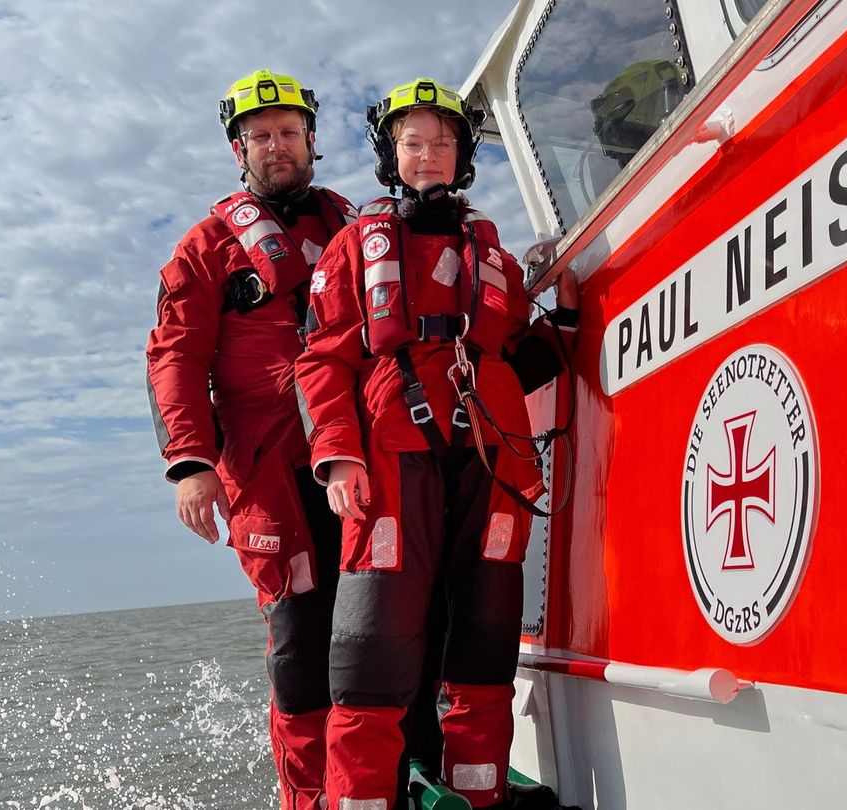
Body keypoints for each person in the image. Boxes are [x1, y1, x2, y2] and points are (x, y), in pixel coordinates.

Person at [294, 77, 578, 810]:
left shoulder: (494, 256)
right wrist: (338, 454)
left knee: (484, 635)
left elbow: (520, 353)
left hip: (490, 457)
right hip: (391, 456)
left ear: (462, 157)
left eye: (443, 143)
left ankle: (476, 795)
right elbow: (321, 358)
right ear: (393, 155)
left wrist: (569, 319)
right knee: (375, 645)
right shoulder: (355, 248)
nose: (429, 155)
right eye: (414, 143)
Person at [146, 69, 357, 810]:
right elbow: (174, 355)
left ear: (311, 142)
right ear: (240, 150)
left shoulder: (357, 228)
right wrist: (190, 464)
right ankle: (307, 800)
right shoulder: (206, 247)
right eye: (261, 136)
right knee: (301, 642)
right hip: (267, 469)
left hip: (360, 457)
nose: (278, 147)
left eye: (290, 133)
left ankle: (378, 786)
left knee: (383, 629)